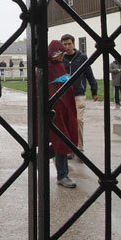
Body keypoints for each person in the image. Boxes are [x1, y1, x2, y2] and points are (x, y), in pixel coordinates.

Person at [47, 40, 79, 188]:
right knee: (61, 140)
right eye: (59, 52)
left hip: (65, 109)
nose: (62, 55)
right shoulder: (47, 67)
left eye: (63, 53)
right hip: (55, 111)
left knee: (63, 139)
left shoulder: (60, 66)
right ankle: (62, 175)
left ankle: (47, 158)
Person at [60, 34, 98, 157]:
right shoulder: (61, 58)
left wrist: (94, 91)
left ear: (73, 43)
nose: (67, 46)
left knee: (78, 120)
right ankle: (69, 148)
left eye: (69, 44)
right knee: (66, 122)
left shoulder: (82, 57)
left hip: (78, 94)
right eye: (64, 44)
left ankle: (79, 147)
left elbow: (89, 75)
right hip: (64, 95)